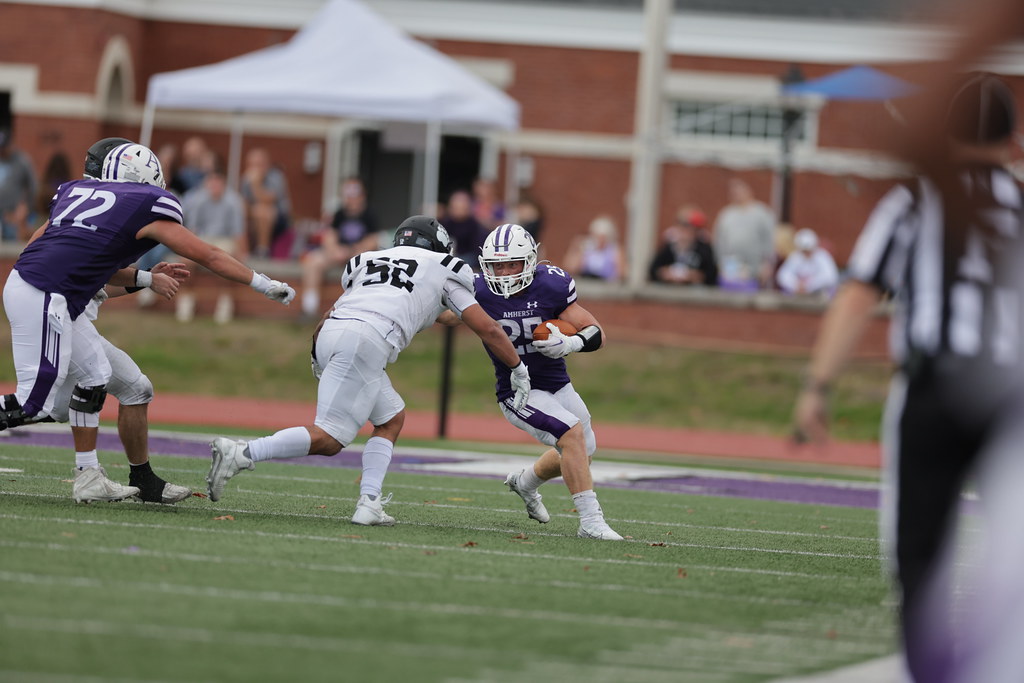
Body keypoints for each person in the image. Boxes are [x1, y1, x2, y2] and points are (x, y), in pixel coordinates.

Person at [793, 73, 1022, 683]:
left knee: (919, 550)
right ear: (1013, 139)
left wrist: (818, 386)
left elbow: (859, 293)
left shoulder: (914, 200)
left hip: (931, 386)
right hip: (1007, 395)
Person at [1, 141, 296, 503]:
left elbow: (36, 249)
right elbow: (210, 255)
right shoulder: (145, 205)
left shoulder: (77, 193)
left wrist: (141, 279)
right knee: (36, 405)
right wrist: (263, 283)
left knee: (98, 379)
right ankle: (88, 475)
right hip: (47, 295)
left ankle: (92, 476)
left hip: (42, 289)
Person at [204, 216, 532, 527]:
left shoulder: (372, 260)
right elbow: (486, 329)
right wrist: (516, 366)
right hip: (366, 340)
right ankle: (243, 452)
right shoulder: (445, 267)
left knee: (391, 417)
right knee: (330, 439)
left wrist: (319, 351)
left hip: (333, 331)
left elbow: (347, 306)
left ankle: (369, 502)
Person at [471, 223, 622, 540]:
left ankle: (524, 482)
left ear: (529, 261)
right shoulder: (476, 290)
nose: (505, 272)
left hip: (557, 383)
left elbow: (597, 332)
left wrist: (571, 344)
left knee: (583, 450)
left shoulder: (551, 285)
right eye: (497, 266)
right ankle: (591, 522)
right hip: (518, 392)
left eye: (512, 263)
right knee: (572, 434)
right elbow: (442, 313)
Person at [299, 176, 379, 321]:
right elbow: (329, 235)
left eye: (354, 193)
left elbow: (373, 240)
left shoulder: (370, 214)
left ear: (362, 195)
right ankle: (309, 308)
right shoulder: (339, 214)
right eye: (347, 193)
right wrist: (335, 250)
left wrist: (352, 252)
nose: (351, 198)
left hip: (358, 256)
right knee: (313, 261)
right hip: (339, 254)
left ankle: (360, 313)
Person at [178, 167, 247, 323]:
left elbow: (238, 232)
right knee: (185, 263)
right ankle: (186, 301)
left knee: (226, 263)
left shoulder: (233, 201)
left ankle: (225, 302)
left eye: (217, 183)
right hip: (204, 238)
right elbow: (193, 229)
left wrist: (242, 252)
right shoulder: (199, 200)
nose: (214, 187)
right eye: (211, 183)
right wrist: (187, 249)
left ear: (223, 185)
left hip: (225, 240)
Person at [712, 179, 776, 291]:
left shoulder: (762, 213)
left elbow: (769, 239)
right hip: (731, 264)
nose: (737, 194)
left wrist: (767, 264)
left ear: (749, 191)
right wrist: (720, 264)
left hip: (755, 264)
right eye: (734, 192)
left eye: (739, 191)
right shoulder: (726, 214)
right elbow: (719, 240)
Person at [240, 147, 290, 258]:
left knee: (262, 211)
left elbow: (269, 200)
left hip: (278, 219)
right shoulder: (246, 178)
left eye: (258, 164)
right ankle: (244, 250)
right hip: (254, 215)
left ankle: (262, 250)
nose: (255, 168)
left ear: (266, 164)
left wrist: (255, 184)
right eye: (252, 164)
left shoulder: (276, 177)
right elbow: (245, 202)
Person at [648, 210, 718, 286]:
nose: (685, 232)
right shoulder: (668, 247)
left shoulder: (704, 249)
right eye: (683, 227)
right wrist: (664, 273)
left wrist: (696, 276)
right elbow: (653, 270)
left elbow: (712, 274)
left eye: (689, 227)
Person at [775, 228, 839, 296]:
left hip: (819, 295)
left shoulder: (822, 256)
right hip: (797, 294)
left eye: (808, 250)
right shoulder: (795, 257)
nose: (806, 254)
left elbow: (830, 277)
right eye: (804, 251)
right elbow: (783, 275)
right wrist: (795, 284)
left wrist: (809, 285)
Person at [0, 126, 37, 242]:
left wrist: (25, 209)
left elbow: (33, 187)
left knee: (13, 248)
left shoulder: (22, 161)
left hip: (14, 216)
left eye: (4, 147)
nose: (2, 150)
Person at [563, 215, 626, 282]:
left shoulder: (614, 250)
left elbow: (622, 274)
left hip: (606, 285)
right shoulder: (586, 248)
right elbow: (570, 268)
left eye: (603, 236)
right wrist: (576, 249)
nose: (600, 239)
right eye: (597, 236)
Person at [441, 190, 488, 266]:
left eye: (461, 207)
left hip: (468, 259)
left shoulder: (474, 226)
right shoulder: (446, 224)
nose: (458, 210)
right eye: (456, 207)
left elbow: (477, 251)